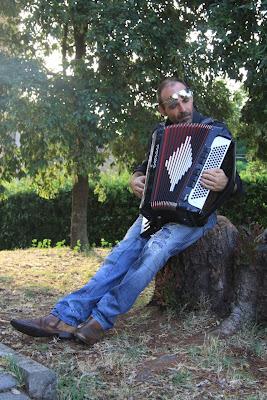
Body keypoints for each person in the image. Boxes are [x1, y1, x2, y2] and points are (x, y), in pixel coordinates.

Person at [11, 78, 242, 345]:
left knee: (154, 251)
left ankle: (100, 320)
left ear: (191, 96)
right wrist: (136, 177)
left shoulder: (216, 133)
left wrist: (227, 183)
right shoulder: (160, 135)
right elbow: (146, 167)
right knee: (120, 256)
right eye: (172, 103)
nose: (182, 106)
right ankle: (63, 317)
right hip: (154, 215)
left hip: (193, 217)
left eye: (185, 97)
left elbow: (237, 184)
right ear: (162, 110)